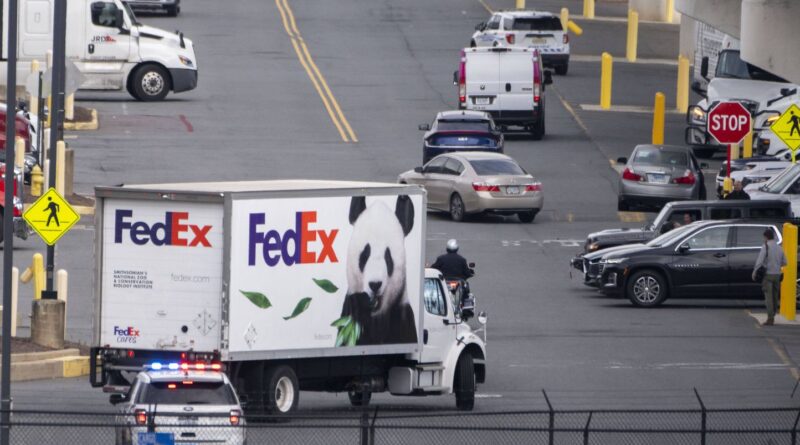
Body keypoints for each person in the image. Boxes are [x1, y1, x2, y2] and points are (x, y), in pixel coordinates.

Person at [752, 229, 787, 326]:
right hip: (777, 275)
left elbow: (760, 261)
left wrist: (755, 272)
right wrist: (777, 264)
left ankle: (770, 318)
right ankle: (774, 314)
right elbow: (785, 262)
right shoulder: (780, 248)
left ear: (766, 237)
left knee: (768, 297)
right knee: (775, 296)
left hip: (768, 275)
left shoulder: (766, 247)